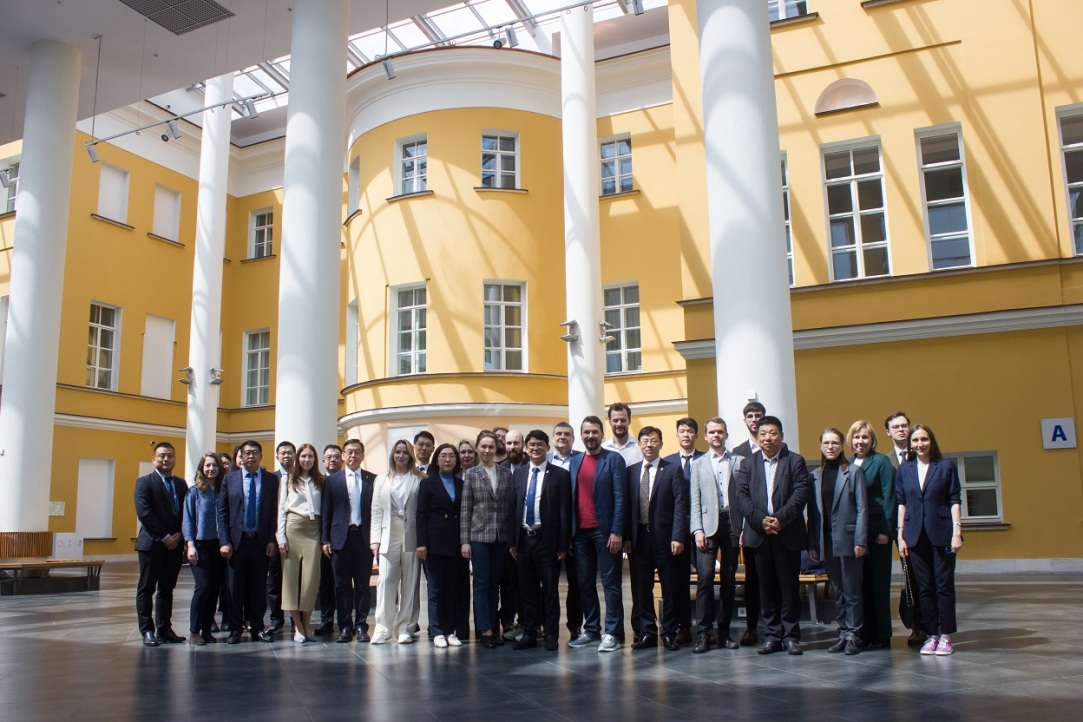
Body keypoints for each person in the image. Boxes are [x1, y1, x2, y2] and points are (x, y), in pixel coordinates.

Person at [734, 416, 811, 655]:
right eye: (763, 434)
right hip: (759, 535)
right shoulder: (748, 464)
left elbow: (800, 493)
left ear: (782, 436)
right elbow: (742, 497)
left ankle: (790, 636)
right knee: (765, 587)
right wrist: (760, 520)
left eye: (773, 433)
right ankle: (771, 635)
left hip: (786, 532)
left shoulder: (795, 461)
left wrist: (780, 519)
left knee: (788, 587)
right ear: (757, 438)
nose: (768, 438)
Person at [896, 424, 963, 656]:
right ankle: (932, 634)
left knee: (943, 587)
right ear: (911, 444)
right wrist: (900, 535)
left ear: (931, 441)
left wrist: (957, 532)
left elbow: (955, 499)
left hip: (942, 533)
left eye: (924, 439)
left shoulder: (945, 467)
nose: (919, 444)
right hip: (914, 536)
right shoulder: (905, 469)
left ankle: (946, 636)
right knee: (924, 588)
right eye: (915, 440)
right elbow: (901, 502)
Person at [508, 429, 572, 651]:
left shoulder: (560, 475)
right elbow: (513, 508)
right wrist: (512, 541)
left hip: (547, 540)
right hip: (523, 539)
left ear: (548, 448)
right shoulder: (518, 474)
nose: (535, 448)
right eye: (531, 445)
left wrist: (562, 544)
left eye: (540, 445)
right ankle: (530, 633)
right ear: (526, 448)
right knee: (528, 589)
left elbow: (565, 511)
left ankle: (552, 633)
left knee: (550, 590)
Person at [568, 415, 627, 652]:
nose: (590, 436)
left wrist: (617, 530)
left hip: (605, 533)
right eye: (586, 432)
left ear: (602, 434)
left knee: (611, 584)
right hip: (580, 533)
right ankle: (591, 629)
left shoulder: (613, 459)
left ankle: (613, 632)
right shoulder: (575, 461)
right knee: (584, 583)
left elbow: (620, 497)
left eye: (594, 432)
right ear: (580, 436)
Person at [807, 428, 868, 655]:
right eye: (826, 443)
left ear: (842, 446)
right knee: (838, 590)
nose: (830, 447)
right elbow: (812, 514)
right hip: (826, 541)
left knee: (852, 590)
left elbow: (862, 508)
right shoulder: (815, 475)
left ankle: (854, 634)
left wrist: (861, 539)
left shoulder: (852, 472)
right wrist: (812, 544)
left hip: (850, 540)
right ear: (821, 446)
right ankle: (842, 632)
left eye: (835, 443)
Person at [626, 426, 686, 651]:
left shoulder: (672, 470)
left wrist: (678, 536)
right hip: (638, 538)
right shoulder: (630, 471)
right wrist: (626, 536)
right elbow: (627, 508)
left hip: (666, 539)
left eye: (654, 440)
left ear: (661, 444)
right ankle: (647, 632)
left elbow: (680, 505)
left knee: (669, 586)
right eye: (645, 441)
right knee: (641, 588)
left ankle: (668, 632)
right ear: (639, 445)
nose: (649, 445)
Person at [689, 417, 743, 653]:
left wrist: (743, 529)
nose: (716, 436)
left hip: (732, 523)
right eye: (712, 432)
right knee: (705, 578)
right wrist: (697, 529)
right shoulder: (698, 464)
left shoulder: (739, 462)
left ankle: (724, 632)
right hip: (708, 525)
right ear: (706, 436)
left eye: (720, 432)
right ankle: (703, 633)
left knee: (729, 580)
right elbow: (695, 499)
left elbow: (744, 498)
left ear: (726, 435)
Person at [217, 439, 279, 644]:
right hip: (237, 543)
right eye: (247, 453)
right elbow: (223, 512)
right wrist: (224, 541)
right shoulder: (230, 479)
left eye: (255, 452)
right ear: (241, 457)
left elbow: (273, 513)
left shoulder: (271, 480)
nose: (250, 456)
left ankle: (257, 627)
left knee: (258, 587)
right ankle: (235, 629)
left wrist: (271, 539)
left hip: (260, 543)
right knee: (235, 587)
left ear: (261, 456)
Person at [460, 431, 514, 648]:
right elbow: (466, 509)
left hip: (501, 536)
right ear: (477, 449)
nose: (487, 450)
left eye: (491, 447)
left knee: (495, 584)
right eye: (483, 446)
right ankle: (486, 630)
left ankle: (493, 624)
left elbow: (510, 507)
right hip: (479, 535)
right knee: (481, 583)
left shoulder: (506, 473)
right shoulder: (471, 474)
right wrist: (465, 540)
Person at [370, 440, 424, 644]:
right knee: (386, 580)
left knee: (410, 582)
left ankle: (406, 628)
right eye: (398, 452)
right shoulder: (382, 480)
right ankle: (382, 628)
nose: (401, 456)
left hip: (412, 533)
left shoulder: (419, 479)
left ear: (411, 456)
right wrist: (374, 539)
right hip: (388, 532)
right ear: (393, 455)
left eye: (405, 453)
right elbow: (376, 510)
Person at [322, 438, 376, 643]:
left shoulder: (373, 479)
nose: (353, 456)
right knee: (342, 585)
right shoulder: (332, 480)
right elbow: (326, 511)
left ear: (362, 455)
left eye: (357, 452)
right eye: (349, 452)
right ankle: (345, 626)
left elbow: (376, 511)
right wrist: (325, 539)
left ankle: (362, 625)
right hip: (339, 540)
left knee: (362, 585)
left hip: (363, 537)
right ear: (343, 456)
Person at [134, 441, 189, 646]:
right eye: (162, 456)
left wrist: (179, 536)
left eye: (170, 456)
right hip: (152, 545)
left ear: (175, 458)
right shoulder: (144, 483)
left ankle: (165, 629)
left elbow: (185, 512)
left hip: (174, 545)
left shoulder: (181, 484)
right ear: (154, 459)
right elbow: (145, 514)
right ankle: (147, 630)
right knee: (147, 589)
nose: (166, 459)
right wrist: (165, 537)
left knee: (167, 589)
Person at [848, 419, 895, 648]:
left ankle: (881, 634)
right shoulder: (846, 463)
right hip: (856, 533)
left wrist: (886, 530)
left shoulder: (881, 462)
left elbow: (889, 496)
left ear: (872, 440)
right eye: (857, 437)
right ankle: (864, 633)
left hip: (877, 532)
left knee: (878, 583)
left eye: (865, 437)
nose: (860, 441)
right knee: (861, 584)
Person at [418, 443, 469, 648]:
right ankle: (437, 630)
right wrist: (421, 543)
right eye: (443, 456)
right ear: (437, 460)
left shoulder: (461, 484)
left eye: (451, 456)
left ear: (456, 461)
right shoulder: (427, 484)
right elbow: (420, 515)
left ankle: (450, 630)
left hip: (456, 542)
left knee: (452, 588)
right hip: (434, 542)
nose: (447, 460)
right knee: (436, 588)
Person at [885, 410, 926, 647]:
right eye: (896, 427)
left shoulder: (923, 453)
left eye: (904, 426)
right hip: (896, 526)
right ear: (888, 432)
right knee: (909, 577)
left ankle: (932, 623)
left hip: (923, 524)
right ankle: (917, 626)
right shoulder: (885, 460)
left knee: (925, 576)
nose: (901, 429)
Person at [663, 416, 705, 645]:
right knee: (678, 579)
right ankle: (683, 625)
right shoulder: (667, 463)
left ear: (696, 435)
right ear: (677, 435)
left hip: (703, 528)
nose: (686, 435)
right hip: (676, 530)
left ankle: (706, 627)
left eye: (690, 431)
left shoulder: (706, 459)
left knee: (704, 578)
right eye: (682, 431)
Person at [277, 443, 324, 643]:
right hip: (294, 526)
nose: (307, 459)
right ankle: (297, 626)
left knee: (310, 581)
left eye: (311, 456)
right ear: (298, 458)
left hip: (314, 529)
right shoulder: (287, 479)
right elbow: (281, 509)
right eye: (303, 456)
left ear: (315, 459)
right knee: (291, 580)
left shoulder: (320, 480)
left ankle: (306, 623)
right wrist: (281, 536)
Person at [730, 401, 767, 646]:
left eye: (758, 416)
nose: (754, 420)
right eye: (750, 416)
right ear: (745, 421)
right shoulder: (738, 452)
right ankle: (752, 628)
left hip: (776, 524)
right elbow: (738, 494)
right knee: (753, 580)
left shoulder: (779, 447)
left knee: (774, 580)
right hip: (752, 526)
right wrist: (743, 525)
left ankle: (780, 628)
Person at [182, 452, 225, 646]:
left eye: (214, 465)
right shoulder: (194, 492)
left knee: (214, 588)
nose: (211, 469)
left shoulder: (223, 491)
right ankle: (194, 631)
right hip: (200, 545)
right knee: (203, 586)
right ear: (202, 468)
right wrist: (190, 544)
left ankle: (207, 629)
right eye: (207, 466)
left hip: (219, 545)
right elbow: (188, 521)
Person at [547, 421, 584, 640]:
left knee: (576, 584)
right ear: (552, 438)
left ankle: (575, 626)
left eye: (567, 434)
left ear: (573, 438)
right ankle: (546, 626)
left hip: (575, 533)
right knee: (548, 583)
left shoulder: (581, 460)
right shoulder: (543, 460)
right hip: (548, 534)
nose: (562, 437)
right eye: (558, 433)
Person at [498, 428, 526, 638]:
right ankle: (516, 622)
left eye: (516, 443)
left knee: (531, 583)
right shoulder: (500, 469)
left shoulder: (531, 465)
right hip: (507, 536)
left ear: (523, 444)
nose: (512, 447)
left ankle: (533, 623)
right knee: (511, 583)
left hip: (528, 533)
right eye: (509, 443)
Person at [266, 441, 296, 634]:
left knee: (294, 580)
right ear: (277, 456)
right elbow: (267, 511)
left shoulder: (301, 478)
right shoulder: (270, 479)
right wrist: (272, 537)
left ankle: (297, 619)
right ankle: (276, 619)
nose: (286, 456)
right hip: (274, 538)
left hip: (295, 537)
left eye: (290, 453)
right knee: (275, 580)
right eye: (283, 453)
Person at [314, 443, 343, 636]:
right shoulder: (318, 482)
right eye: (329, 457)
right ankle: (326, 621)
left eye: (336, 456)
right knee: (325, 583)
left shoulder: (346, 480)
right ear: (323, 461)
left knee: (341, 582)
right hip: (320, 539)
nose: (332, 460)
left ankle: (344, 621)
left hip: (342, 538)